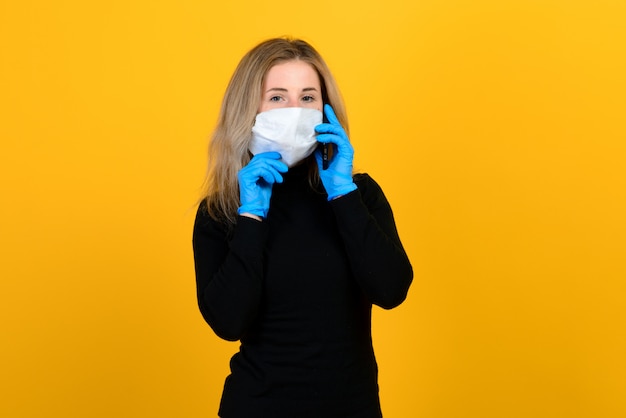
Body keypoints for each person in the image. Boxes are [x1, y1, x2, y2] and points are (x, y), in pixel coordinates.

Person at [192, 37, 413, 418]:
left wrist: (342, 192)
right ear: (249, 109)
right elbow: (228, 323)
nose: (295, 110)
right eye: (277, 98)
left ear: (325, 110)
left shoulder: (360, 194)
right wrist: (252, 216)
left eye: (307, 98)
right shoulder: (221, 211)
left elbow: (392, 289)